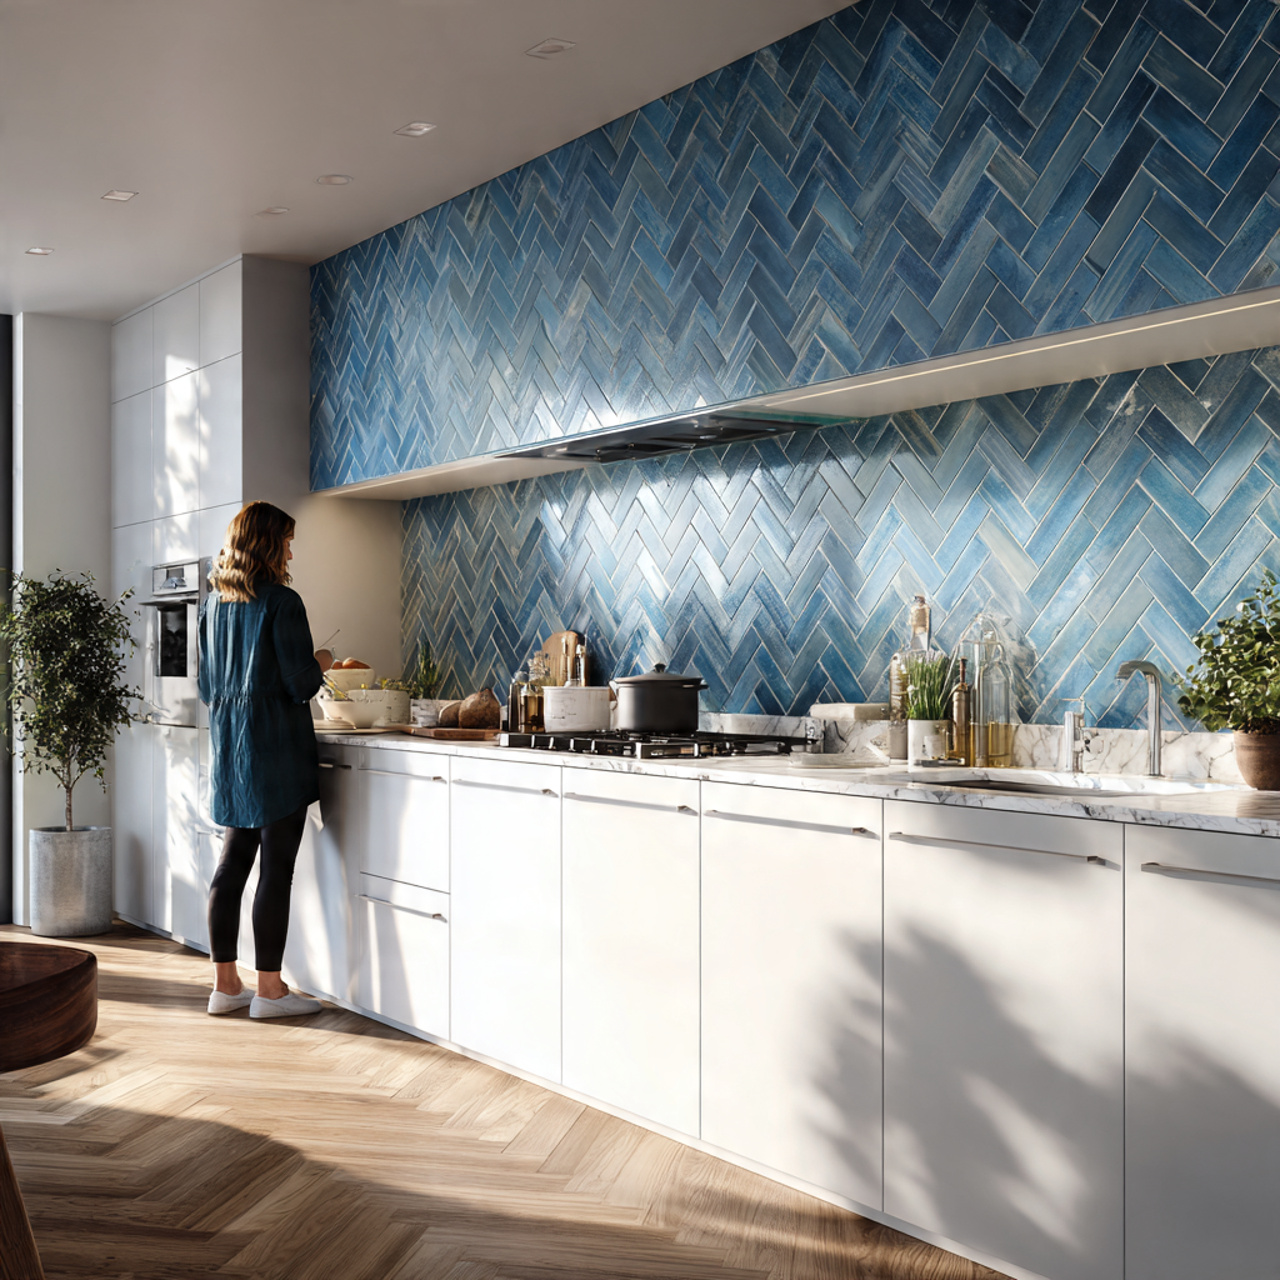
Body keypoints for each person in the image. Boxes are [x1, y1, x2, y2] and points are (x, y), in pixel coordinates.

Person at [198, 501, 334, 1019]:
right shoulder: (283, 602)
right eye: (288, 541)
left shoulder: (214, 605)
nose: (292, 550)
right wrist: (321, 660)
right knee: (276, 869)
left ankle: (225, 986)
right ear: (270, 543)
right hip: (276, 747)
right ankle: (270, 992)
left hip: (231, 746)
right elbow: (301, 683)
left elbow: (209, 685)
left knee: (232, 863)